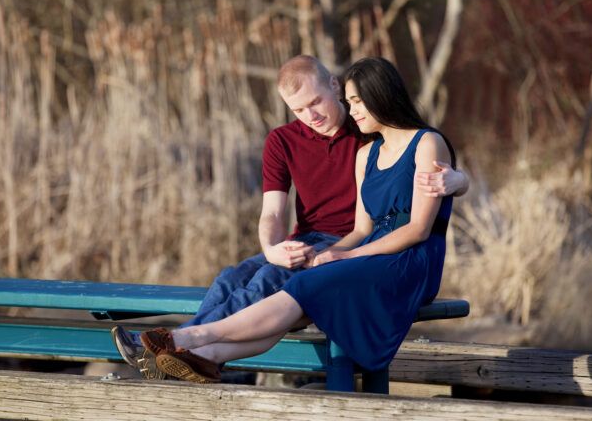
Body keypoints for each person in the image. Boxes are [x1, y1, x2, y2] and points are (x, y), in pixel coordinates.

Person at [112, 55, 467, 379]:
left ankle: (183, 342)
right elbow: (275, 213)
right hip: (324, 242)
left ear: (335, 88)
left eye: (317, 103)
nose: (312, 116)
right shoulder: (304, 143)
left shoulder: (367, 133)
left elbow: (421, 193)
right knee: (230, 278)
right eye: (299, 110)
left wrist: (459, 180)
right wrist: (272, 247)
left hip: (362, 248)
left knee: (272, 281)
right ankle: (200, 358)